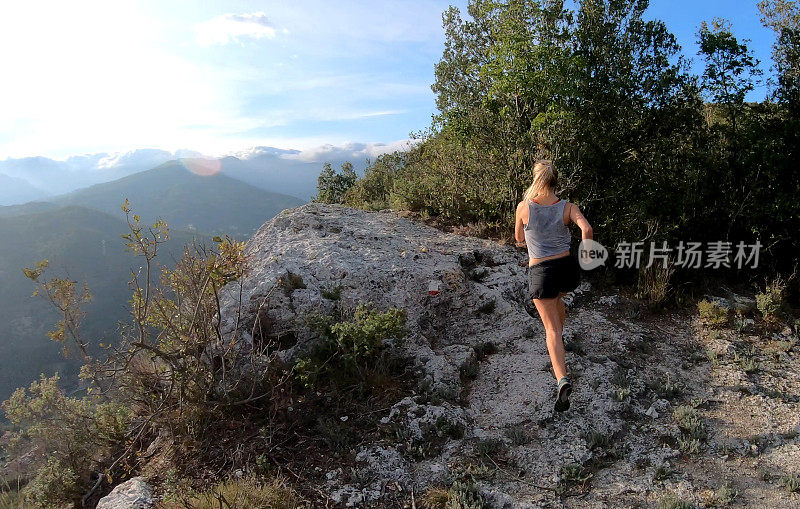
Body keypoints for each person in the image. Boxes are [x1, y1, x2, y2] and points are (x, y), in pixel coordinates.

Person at [514, 159, 593, 411]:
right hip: (567, 270)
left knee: (551, 331)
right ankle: (561, 341)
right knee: (557, 302)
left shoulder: (524, 207)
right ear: (555, 180)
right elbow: (587, 229)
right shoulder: (568, 207)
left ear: (535, 179)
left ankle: (562, 380)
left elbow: (518, 238)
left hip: (542, 272)